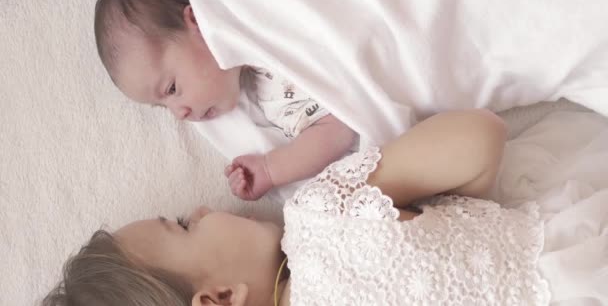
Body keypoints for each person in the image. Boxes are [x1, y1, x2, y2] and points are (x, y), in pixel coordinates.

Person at [45, 109, 575, 305]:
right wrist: (450, 217)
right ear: (219, 299)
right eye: (184, 225)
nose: (202, 210)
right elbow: (480, 136)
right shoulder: (319, 216)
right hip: (565, 264)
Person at [93, 0, 357, 201]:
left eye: (172, 89)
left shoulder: (263, 8)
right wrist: (268, 169)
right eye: (163, 106)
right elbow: (338, 128)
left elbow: (337, 129)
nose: (180, 113)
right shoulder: (272, 95)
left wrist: (270, 169)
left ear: (196, 20)